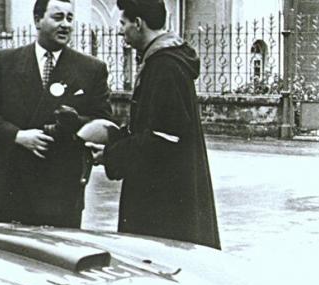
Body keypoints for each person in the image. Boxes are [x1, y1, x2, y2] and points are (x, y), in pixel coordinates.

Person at [86, 0, 220, 248]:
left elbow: (162, 138)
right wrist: (115, 137)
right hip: (166, 192)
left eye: (123, 23)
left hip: (164, 200)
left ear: (138, 24)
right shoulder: (163, 60)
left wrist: (110, 155)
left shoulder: (164, 66)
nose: (121, 31)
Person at [0, 0, 112, 227]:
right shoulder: (4, 62)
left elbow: (103, 122)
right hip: (10, 187)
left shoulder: (91, 69)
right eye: (58, 17)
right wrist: (18, 136)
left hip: (60, 191)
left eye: (69, 18)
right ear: (38, 20)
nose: (65, 24)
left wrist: (72, 122)